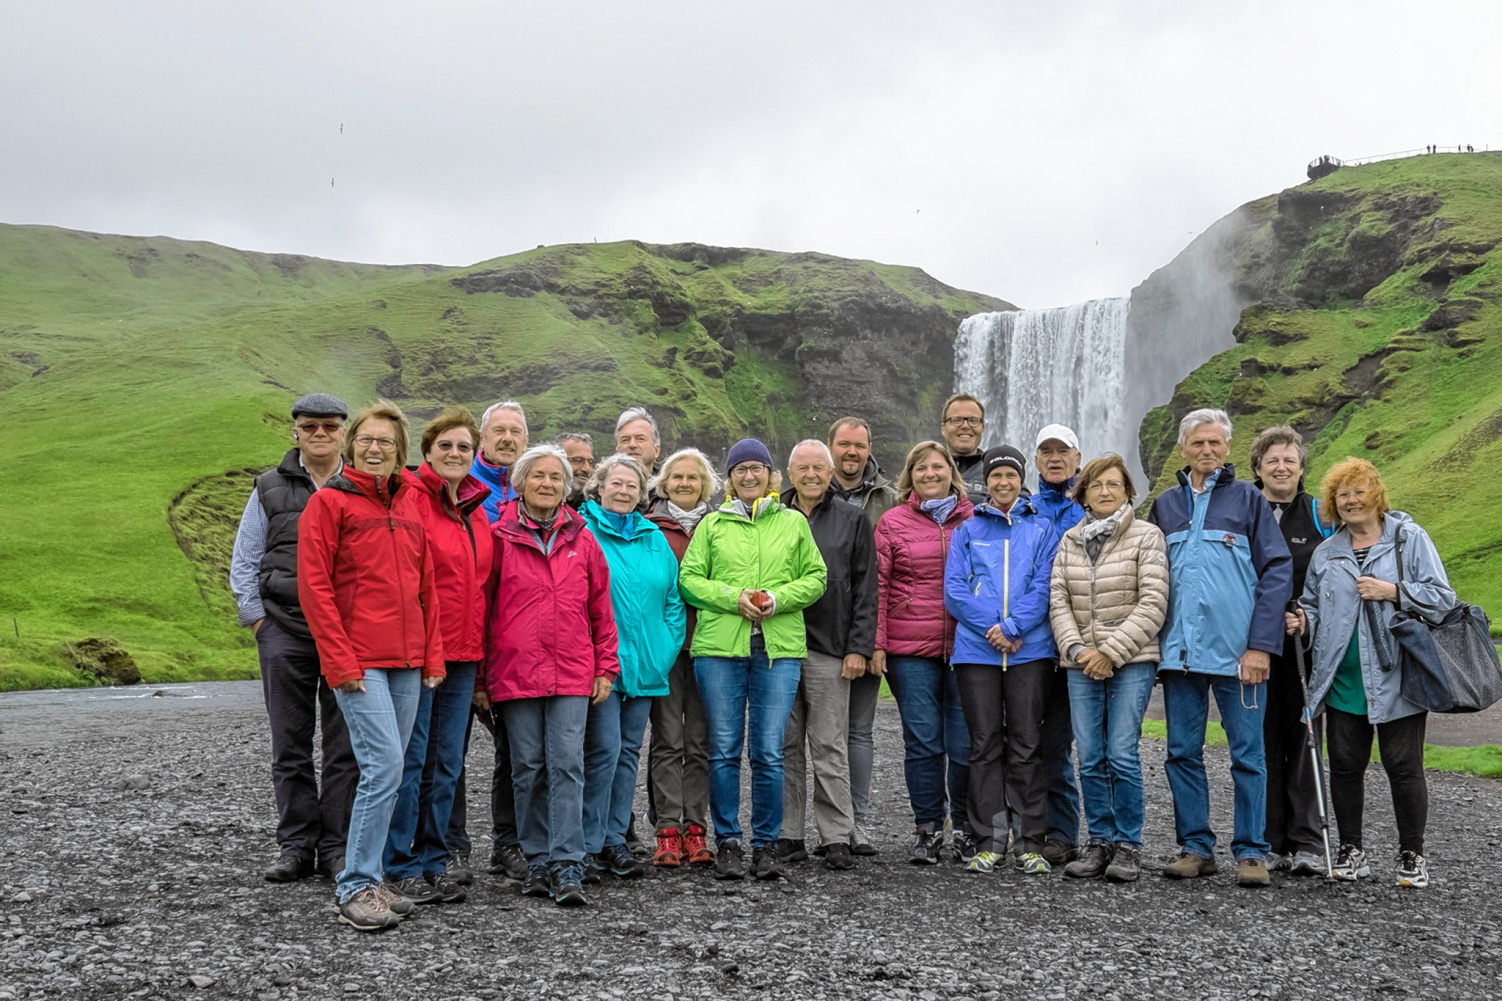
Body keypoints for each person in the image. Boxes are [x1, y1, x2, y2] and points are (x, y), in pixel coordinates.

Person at [297, 400, 444, 931]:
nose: (375, 448)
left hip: (408, 659)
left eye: (385, 441)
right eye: (366, 440)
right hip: (359, 660)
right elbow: (314, 589)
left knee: (393, 768)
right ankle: (356, 884)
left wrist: (432, 655)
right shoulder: (329, 504)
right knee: (382, 767)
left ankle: (373, 877)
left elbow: (425, 584)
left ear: (400, 450)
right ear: (350, 446)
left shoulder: (410, 504)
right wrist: (339, 660)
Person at [1289, 458, 1455, 889]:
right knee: (1345, 765)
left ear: (1376, 495)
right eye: (1342, 494)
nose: (1351, 500)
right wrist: (1303, 622)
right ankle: (1351, 851)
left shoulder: (1409, 539)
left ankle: (1411, 856)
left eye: (1359, 491)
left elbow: (1442, 599)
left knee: (1403, 766)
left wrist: (1393, 591)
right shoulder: (1327, 553)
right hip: (1343, 680)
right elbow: (1312, 606)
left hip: (1397, 675)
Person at [1148, 408, 1291, 888]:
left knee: (1248, 753)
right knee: (1182, 751)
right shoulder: (1166, 505)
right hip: (1179, 656)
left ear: (1228, 448)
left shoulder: (1249, 500)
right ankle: (1195, 847)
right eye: (1197, 443)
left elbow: (1276, 572)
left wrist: (1260, 647)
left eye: (1215, 443)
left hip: (1239, 657)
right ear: (1184, 448)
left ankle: (1252, 852)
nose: (1206, 451)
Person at [680, 438, 827, 881]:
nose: (749, 476)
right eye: (740, 469)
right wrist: (733, 598)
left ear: (770, 475)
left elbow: (816, 577)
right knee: (723, 750)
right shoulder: (711, 525)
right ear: (730, 478)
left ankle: (765, 844)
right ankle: (727, 841)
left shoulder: (794, 522)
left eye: (757, 469)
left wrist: (778, 599)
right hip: (720, 648)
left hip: (777, 648)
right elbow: (689, 579)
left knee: (768, 751)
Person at [480, 444, 620, 907]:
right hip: (515, 670)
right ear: (519, 484)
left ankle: (568, 862)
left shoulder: (583, 539)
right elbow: (482, 609)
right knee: (527, 767)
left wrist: (606, 666)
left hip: (572, 671)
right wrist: (481, 677)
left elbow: (601, 608)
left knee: (568, 764)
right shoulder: (498, 536)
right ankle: (536, 858)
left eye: (555, 478)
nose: (547, 484)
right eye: (537, 476)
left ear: (566, 487)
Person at [229, 392, 358, 884]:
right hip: (284, 630)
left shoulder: (362, 486)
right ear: (295, 432)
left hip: (348, 634)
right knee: (290, 743)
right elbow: (245, 558)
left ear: (343, 431)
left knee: (346, 746)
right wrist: (258, 621)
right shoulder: (267, 487)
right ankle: (296, 845)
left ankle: (338, 846)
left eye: (329, 426)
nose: (320, 435)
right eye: (310, 427)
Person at [382, 407, 493, 906]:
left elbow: (480, 586)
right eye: (445, 446)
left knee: (447, 761)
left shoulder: (474, 507)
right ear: (426, 452)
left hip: (465, 653)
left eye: (464, 448)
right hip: (421, 651)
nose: (454, 454)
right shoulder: (409, 499)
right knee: (411, 757)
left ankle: (434, 858)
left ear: (475, 456)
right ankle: (397, 862)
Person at [1048, 454, 1168, 883]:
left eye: (1113, 485)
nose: (1104, 491)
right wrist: (1079, 650)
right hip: (1079, 661)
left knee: (1120, 751)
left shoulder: (1147, 536)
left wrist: (1110, 652)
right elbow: (1057, 600)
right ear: (1083, 492)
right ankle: (1099, 841)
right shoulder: (1070, 540)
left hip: (1131, 660)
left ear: (1127, 491)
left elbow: (1153, 602)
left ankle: (1128, 845)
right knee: (1091, 755)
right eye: (1097, 484)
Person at [945, 445, 1061, 875]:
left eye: (1011, 475)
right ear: (987, 482)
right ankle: (989, 841)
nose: (1003, 483)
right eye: (996, 476)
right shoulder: (968, 529)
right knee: (984, 746)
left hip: (1029, 650)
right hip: (978, 652)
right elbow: (954, 590)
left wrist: (1013, 628)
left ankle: (1030, 841)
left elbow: (1046, 584)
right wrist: (994, 627)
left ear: (1020, 478)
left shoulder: (1042, 529)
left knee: (1028, 746)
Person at [579, 454, 686, 880]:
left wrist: (664, 651)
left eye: (632, 486)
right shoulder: (583, 531)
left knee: (627, 754)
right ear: (599, 486)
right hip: (603, 668)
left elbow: (673, 601)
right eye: (616, 483)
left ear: (642, 494)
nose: (623, 491)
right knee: (601, 753)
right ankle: (585, 845)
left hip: (647, 667)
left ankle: (613, 840)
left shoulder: (653, 536)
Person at [775, 441, 878, 871]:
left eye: (819, 467)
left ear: (831, 471)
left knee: (829, 745)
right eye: (803, 468)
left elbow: (867, 587)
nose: (812, 475)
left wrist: (859, 648)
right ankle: (788, 833)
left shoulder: (852, 519)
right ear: (789, 471)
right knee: (785, 745)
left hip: (831, 648)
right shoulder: (773, 515)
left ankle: (836, 834)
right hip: (780, 646)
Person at [873, 441, 975, 864]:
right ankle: (928, 828)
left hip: (968, 647)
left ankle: (969, 827)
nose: (930, 474)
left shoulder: (974, 518)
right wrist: (876, 644)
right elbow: (877, 586)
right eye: (921, 469)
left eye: (938, 467)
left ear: (952, 471)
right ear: (909, 476)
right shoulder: (892, 522)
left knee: (966, 742)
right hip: (909, 649)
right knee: (923, 742)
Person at [451, 399, 530, 883]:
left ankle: (509, 843)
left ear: (526, 439)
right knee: (447, 752)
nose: (506, 438)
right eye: (497, 431)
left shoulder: (537, 491)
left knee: (515, 748)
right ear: (482, 439)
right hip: (462, 643)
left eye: (514, 432)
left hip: (515, 648)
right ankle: (450, 845)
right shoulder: (462, 491)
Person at [1250, 425, 1333, 876]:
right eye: (1272, 461)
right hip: (1253, 645)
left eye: (1289, 461)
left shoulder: (1321, 515)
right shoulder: (1244, 508)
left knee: (1303, 739)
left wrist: (1308, 617)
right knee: (1260, 741)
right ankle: (1269, 839)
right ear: (1258, 468)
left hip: (1305, 648)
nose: (1281, 468)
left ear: (1302, 469)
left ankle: (1308, 842)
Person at [643, 448, 721, 868]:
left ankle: (697, 828)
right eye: (678, 477)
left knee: (701, 742)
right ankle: (667, 830)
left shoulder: (721, 525)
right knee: (668, 739)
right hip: (667, 649)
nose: (685, 483)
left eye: (693, 477)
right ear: (664, 482)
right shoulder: (649, 528)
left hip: (712, 646)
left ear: (705, 483)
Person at [826, 416, 896, 854]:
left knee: (858, 731)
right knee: (813, 735)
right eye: (844, 445)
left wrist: (874, 639)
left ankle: (858, 823)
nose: (852, 453)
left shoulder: (889, 498)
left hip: (868, 627)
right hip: (813, 632)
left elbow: (887, 575)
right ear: (830, 446)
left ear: (870, 449)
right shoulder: (804, 494)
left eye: (860, 446)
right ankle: (818, 826)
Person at [1030, 423, 1087, 866]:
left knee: (1059, 745)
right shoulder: (1026, 508)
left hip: (1079, 645)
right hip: (1031, 644)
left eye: (1062, 451)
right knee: (1026, 741)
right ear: (1036, 461)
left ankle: (1064, 832)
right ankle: (1029, 827)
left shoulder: (1091, 507)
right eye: (1046, 451)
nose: (1054, 458)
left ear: (1077, 459)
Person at [939, 393, 989, 506]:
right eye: (956, 420)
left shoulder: (999, 470)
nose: (965, 426)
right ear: (943, 429)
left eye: (973, 420)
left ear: (983, 428)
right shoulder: (925, 470)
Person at [615, 406, 663, 478]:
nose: (632, 445)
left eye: (640, 439)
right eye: (625, 439)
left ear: (656, 451)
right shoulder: (601, 486)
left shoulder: (668, 487)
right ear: (617, 450)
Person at [557, 431, 595, 509]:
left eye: (590, 462)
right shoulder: (539, 501)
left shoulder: (595, 509)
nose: (587, 469)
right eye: (577, 460)